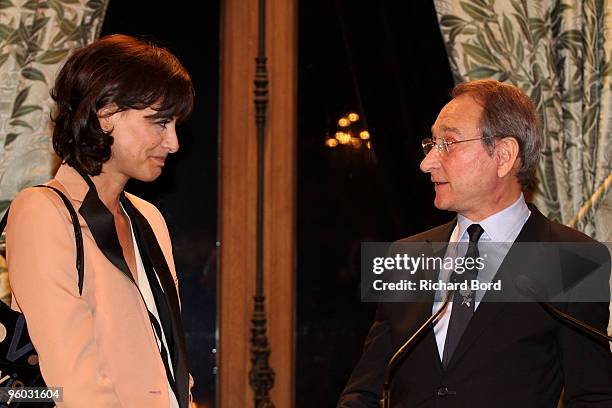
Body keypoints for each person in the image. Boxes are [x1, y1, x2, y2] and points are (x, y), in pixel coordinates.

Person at [338, 80, 612, 407]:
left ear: (504, 155)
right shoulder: (406, 256)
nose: (427, 163)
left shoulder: (571, 258)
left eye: (449, 143)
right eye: (431, 144)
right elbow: (363, 391)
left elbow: (594, 397)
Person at [5, 34, 194, 407]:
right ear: (106, 114)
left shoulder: (148, 219)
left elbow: (167, 358)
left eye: (175, 125)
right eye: (159, 122)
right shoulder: (42, 211)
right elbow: (75, 383)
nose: (173, 143)